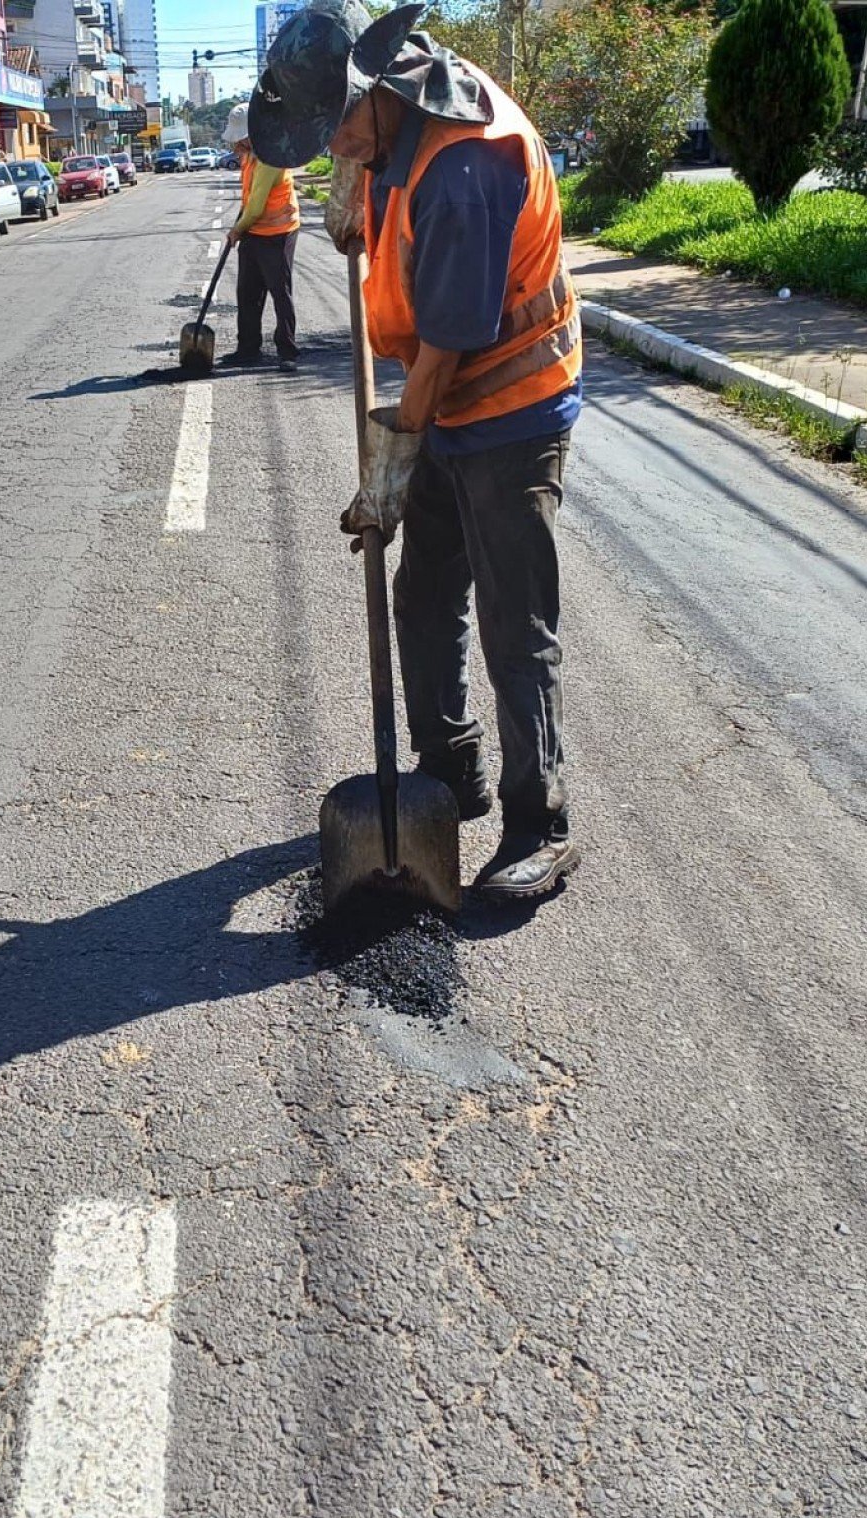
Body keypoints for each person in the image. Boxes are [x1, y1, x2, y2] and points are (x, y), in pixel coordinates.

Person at [250, 0, 583, 900]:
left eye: (339, 134)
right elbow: (377, 166)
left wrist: (391, 469)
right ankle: (452, 772)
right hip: (450, 397)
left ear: (376, 92)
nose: (335, 151)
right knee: (426, 593)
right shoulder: (393, 115)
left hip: (510, 406)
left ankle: (539, 825)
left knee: (518, 622)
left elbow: (448, 346)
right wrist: (362, 179)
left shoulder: (463, 169)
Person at [219, 103, 301, 374]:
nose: (238, 143)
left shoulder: (270, 157)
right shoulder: (251, 156)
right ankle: (247, 349)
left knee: (279, 291)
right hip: (254, 230)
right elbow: (249, 200)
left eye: (241, 137)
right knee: (247, 292)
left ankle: (287, 351)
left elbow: (256, 207)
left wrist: (235, 231)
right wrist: (240, 227)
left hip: (278, 233)